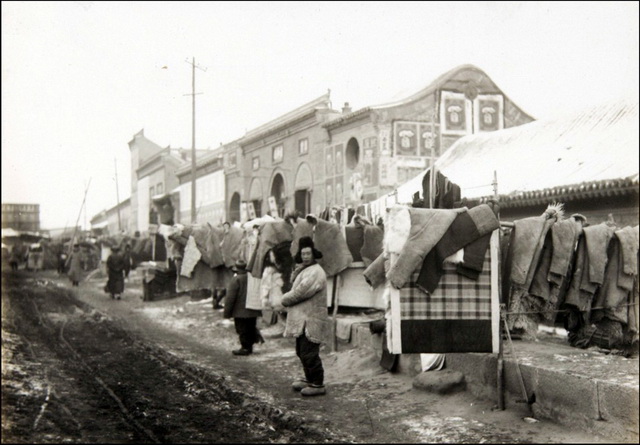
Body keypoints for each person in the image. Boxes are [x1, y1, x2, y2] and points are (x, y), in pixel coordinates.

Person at [280, 236, 330, 397]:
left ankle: (317, 383)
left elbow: (301, 292)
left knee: (309, 352)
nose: (306, 257)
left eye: (308, 253)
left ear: (313, 254)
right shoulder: (304, 269)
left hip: (311, 319)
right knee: (301, 351)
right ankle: (309, 379)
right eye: (303, 254)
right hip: (303, 319)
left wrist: (284, 299)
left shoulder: (315, 272)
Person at [224, 259, 262, 356]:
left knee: (242, 330)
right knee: (251, 327)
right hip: (253, 308)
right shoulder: (252, 278)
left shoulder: (236, 279)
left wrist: (227, 312)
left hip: (240, 311)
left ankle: (245, 348)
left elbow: (230, 297)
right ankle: (250, 346)